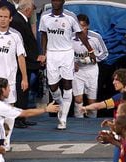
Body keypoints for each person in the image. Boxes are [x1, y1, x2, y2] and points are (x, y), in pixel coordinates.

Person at [39, 0, 95, 130]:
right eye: (53, 0)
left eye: (58, 0)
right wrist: (44, 53)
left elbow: (80, 34)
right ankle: (60, 104)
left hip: (66, 53)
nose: (55, 2)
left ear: (63, 2)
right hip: (52, 54)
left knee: (67, 84)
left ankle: (63, 118)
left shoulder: (70, 16)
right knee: (52, 86)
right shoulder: (45, 17)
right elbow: (43, 35)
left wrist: (90, 50)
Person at [9, 0, 42, 128]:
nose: (33, 11)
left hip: (29, 62)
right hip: (23, 63)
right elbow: (22, 46)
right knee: (21, 91)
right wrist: (35, 58)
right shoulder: (17, 21)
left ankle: (22, 117)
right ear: (28, 9)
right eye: (33, 8)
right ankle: (18, 119)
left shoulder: (23, 20)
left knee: (24, 91)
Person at [72, 14, 108, 118]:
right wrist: (72, 63)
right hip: (78, 71)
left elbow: (105, 53)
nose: (80, 29)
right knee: (78, 99)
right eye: (78, 26)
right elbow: (65, 53)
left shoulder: (96, 37)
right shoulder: (70, 37)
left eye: (82, 26)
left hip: (92, 70)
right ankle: (78, 120)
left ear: (87, 26)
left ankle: (92, 121)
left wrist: (94, 59)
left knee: (91, 99)